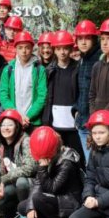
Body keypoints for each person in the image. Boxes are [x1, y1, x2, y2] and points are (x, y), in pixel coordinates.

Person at [17, 125, 82, 218]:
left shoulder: (67, 162)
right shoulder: (47, 157)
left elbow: (53, 188)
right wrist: (31, 208)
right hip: (56, 198)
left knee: (38, 199)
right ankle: (55, 217)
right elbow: (38, 184)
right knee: (23, 206)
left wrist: (42, 168)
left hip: (70, 201)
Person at [0, 109, 37, 218]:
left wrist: (6, 178)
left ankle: (25, 213)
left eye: (10, 124)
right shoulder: (1, 147)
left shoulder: (26, 141)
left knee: (21, 182)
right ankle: (15, 209)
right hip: (12, 185)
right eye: (3, 125)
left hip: (31, 183)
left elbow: (30, 168)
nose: (6, 128)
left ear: (17, 126)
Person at [41, 30, 83, 159]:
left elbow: (82, 91)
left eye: (65, 48)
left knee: (77, 156)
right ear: (54, 50)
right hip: (55, 121)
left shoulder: (78, 68)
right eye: (59, 49)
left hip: (73, 122)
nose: (62, 52)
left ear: (71, 48)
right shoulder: (49, 71)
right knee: (56, 157)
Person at [0, 30, 47, 131]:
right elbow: (3, 94)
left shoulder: (39, 70)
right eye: (20, 48)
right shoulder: (8, 69)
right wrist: (16, 114)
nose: (24, 51)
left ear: (32, 48)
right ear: (15, 48)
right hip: (13, 120)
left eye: (27, 47)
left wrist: (28, 116)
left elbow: (42, 96)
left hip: (33, 121)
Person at [73, 20, 101, 162]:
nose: (83, 42)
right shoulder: (83, 59)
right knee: (90, 163)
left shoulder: (100, 58)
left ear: (94, 39)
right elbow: (81, 89)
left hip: (96, 122)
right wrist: (76, 110)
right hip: (83, 120)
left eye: (87, 38)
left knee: (96, 163)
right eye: (80, 39)